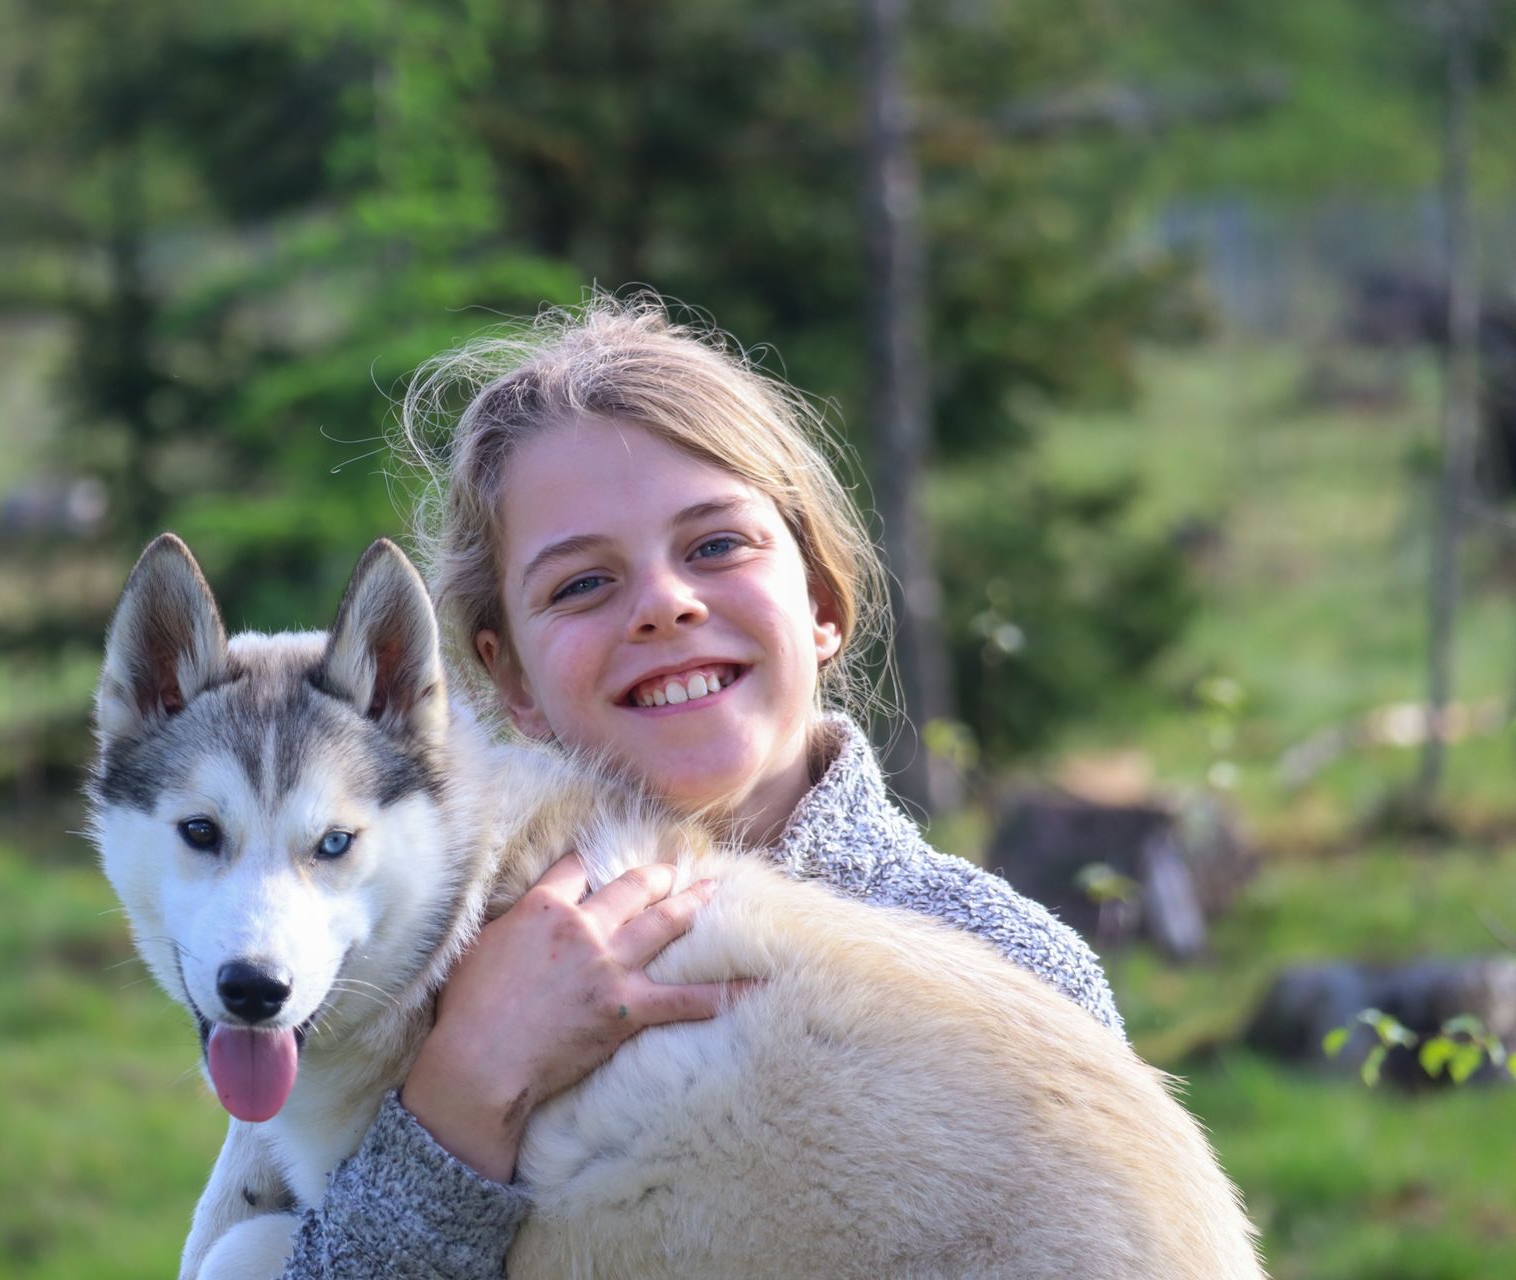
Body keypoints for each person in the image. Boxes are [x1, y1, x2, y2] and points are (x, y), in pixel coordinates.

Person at [271, 295, 1122, 1276]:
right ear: (511, 682)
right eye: (582, 583)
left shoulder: (997, 960)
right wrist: (468, 1084)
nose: (666, 605)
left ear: (823, 600)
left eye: (717, 545)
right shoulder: (389, 976)